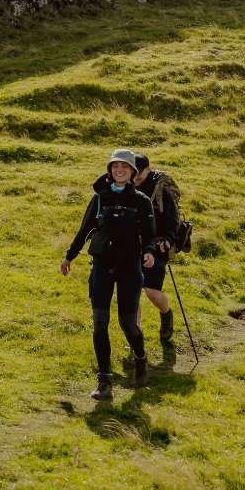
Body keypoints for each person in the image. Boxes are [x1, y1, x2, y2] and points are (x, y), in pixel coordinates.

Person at [61, 148, 156, 398]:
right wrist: (70, 256)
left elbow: (150, 235)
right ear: (110, 171)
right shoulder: (100, 199)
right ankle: (104, 381)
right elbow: (84, 230)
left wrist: (149, 252)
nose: (119, 170)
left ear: (132, 172)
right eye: (115, 166)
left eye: (124, 167)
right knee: (100, 322)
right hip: (102, 265)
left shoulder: (141, 201)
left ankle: (141, 359)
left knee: (127, 323)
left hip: (129, 268)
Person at [133, 154, 178, 346]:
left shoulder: (161, 189)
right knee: (132, 291)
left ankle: (166, 314)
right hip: (131, 244)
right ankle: (135, 334)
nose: (136, 177)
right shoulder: (126, 185)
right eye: (133, 173)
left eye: (139, 173)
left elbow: (173, 220)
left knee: (151, 290)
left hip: (157, 245)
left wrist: (168, 240)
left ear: (148, 169)